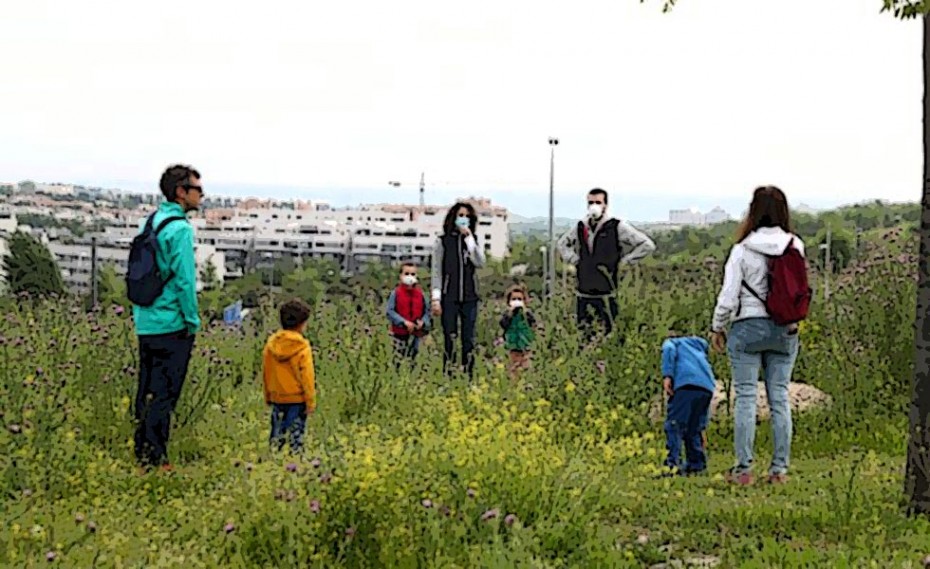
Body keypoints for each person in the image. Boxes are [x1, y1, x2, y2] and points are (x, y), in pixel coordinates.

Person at [710, 185, 806, 485]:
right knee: (779, 397)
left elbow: (728, 296)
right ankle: (779, 470)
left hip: (747, 327)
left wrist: (717, 326)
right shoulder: (795, 244)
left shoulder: (742, 249)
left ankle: (743, 469)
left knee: (746, 398)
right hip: (784, 328)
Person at [131, 164, 203, 472]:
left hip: (145, 319)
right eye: (197, 189)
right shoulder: (181, 229)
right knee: (165, 393)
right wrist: (193, 321)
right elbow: (185, 281)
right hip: (172, 323)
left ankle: (141, 449)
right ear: (181, 192)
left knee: (147, 387)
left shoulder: (153, 221)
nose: (202, 195)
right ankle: (156, 459)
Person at [557, 188, 656, 342]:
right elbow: (562, 244)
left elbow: (646, 244)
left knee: (610, 337)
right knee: (584, 337)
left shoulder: (616, 226)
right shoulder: (580, 227)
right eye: (591, 202)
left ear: (605, 205)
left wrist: (625, 262)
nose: (594, 206)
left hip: (607, 293)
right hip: (584, 292)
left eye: (598, 202)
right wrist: (575, 261)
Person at [430, 202, 486, 378]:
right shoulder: (443, 241)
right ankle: (449, 373)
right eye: (460, 215)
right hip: (449, 296)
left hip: (469, 296)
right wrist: (436, 298)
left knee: (468, 338)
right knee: (450, 337)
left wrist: (469, 239)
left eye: (467, 216)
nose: (464, 219)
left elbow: (480, 262)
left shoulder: (472, 240)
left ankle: (469, 374)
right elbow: (437, 270)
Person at [660, 323, 716, 476]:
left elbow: (668, 350)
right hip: (706, 387)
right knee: (695, 427)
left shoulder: (673, 343)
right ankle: (696, 464)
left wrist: (668, 375)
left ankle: (672, 463)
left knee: (675, 424)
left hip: (685, 385)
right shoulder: (698, 347)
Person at [262, 298, 317, 454]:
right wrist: (310, 401)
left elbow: (266, 372)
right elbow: (307, 377)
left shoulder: (271, 344)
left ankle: (273, 463)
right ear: (302, 324)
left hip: (277, 397)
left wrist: (268, 395)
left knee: (276, 436)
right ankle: (294, 466)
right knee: (295, 438)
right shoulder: (302, 347)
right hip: (297, 400)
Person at [386, 261, 431, 367]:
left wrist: (423, 322)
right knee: (398, 359)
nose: (410, 277)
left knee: (414, 360)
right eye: (406, 274)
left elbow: (427, 312)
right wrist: (403, 322)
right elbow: (390, 311)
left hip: (416, 334)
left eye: (413, 274)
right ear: (400, 276)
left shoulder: (421, 294)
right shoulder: (396, 293)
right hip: (399, 333)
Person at [499, 283, 537, 378]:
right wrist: (511, 312)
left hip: (525, 346)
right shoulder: (507, 315)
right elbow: (503, 324)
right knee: (513, 372)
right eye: (514, 299)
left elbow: (533, 325)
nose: (517, 301)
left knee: (526, 371)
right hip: (512, 347)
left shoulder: (527, 314)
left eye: (519, 299)